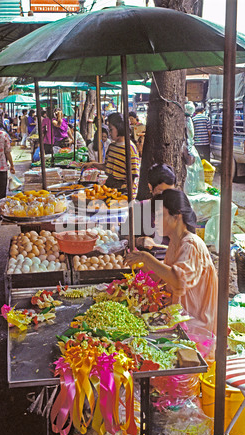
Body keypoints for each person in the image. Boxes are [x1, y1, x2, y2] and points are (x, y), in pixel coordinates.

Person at [125, 188, 218, 334]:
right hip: (179, 317)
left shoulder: (191, 244)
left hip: (196, 326)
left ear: (177, 216)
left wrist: (146, 258)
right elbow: (164, 276)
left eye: (160, 215)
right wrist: (140, 266)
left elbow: (177, 279)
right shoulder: (175, 242)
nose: (155, 221)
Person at [83, 112, 140, 195]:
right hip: (110, 187)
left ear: (119, 128)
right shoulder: (111, 146)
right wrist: (92, 164)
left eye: (111, 129)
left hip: (122, 191)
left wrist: (128, 197)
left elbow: (133, 176)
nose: (109, 133)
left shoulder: (130, 149)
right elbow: (106, 166)